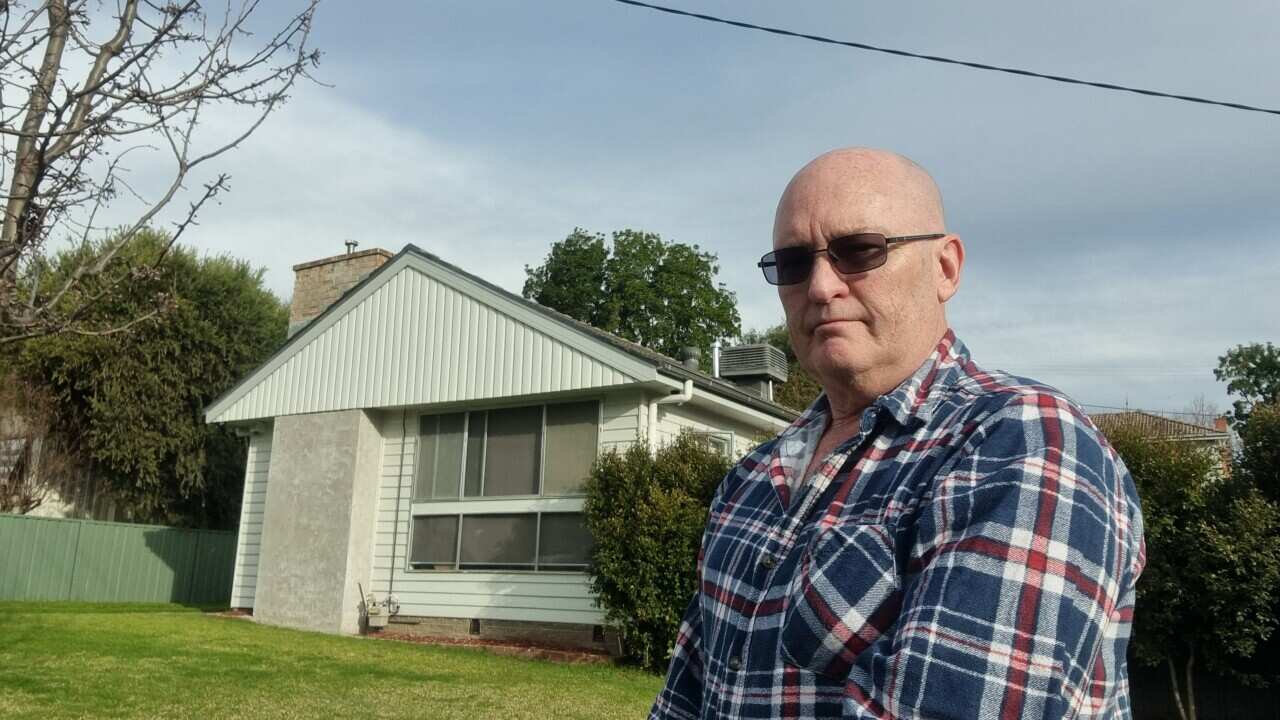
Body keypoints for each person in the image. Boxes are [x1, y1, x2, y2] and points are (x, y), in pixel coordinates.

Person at [649, 148, 1145, 719]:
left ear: (946, 268)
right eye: (792, 263)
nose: (820, 286)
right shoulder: (751, 478)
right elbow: (685, 696)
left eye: (859, 251)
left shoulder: (1023, 441)